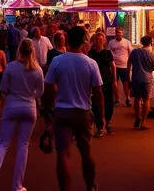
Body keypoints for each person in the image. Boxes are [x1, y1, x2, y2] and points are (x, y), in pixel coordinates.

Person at [44, 26, 104, 191]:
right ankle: (90, 186)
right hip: (83, 112)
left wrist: (47, 109)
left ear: (68, 41)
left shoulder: (57, 61)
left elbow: (48, 87)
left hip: (62, 111)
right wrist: (101, 117)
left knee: (63, 154)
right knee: (86, 152)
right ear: (84, 42)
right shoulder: (91, 63)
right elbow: (98, 92)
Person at [0, 39, 44, 191]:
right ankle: (17, 185)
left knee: (3, 144)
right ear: (32, 51)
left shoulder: (10, 67)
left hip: (11, 106)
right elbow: (40, 92)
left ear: (19, 50)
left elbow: (3, 88)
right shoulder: (37, 70)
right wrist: (30, 95)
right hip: (29, 108)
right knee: (23, 146)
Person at [89, 32, 116, 136]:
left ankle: (108, 123)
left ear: (104, 41)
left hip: (107, 80)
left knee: (109, 102)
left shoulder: (108, 53)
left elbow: (113, 66)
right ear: (94, 40)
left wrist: (114, 80)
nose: (99, 41)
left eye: (101, 39)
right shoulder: (91, 53)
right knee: (95, 103)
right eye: (97, 39)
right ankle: (99, 126)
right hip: (95, 82)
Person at [127, 35, 154, 130]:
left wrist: (128, 76)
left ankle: (137, 117)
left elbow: (129, 63)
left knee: (137, 98)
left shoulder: (135, 51)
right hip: (147, 79)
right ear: (150, 42)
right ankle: (143, 122)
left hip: (136, 78)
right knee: (146, 100)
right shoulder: (151, 54)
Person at [108, 27, 132, 107]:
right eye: (117, 32)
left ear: (122, 33)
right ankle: (117, 100)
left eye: (120, 32)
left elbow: (130, 53)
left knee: (126, 83)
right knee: (115, 84)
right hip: (115, 66)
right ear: (115, 33)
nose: (118, 34)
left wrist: (130, 64)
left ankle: (127, 99)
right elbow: (108, 53)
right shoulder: (111, 43)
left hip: (124, 66)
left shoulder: (127, 42)